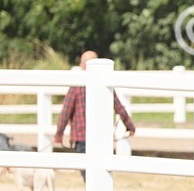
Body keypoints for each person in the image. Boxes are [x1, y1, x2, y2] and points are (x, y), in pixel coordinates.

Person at [55, 50, 136, 180]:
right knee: (101, 174)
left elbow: (66, 112)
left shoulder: (76, 86)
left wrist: (59, 134)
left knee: (88, 175)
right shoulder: (105, 85)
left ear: (82, 65)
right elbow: (118, 107)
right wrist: (130, 126)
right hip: (102, 138)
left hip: (81, 138)